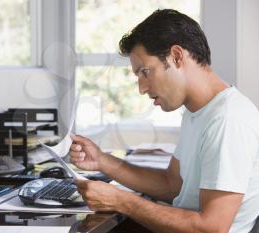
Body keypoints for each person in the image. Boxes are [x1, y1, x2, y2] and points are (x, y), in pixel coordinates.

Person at [70, 9, 259, 233]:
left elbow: (212, 228)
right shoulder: (199, 111)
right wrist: (102, 161)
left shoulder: (227, 119)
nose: (142, 88)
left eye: (145, 72)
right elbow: (172, 184)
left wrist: (121, 201)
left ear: (177, 57)